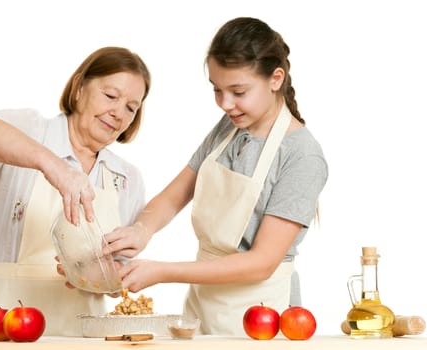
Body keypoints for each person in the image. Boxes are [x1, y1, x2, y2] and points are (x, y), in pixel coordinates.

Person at [105, 17, 328, 335]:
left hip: (260, 316)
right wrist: (141, 230)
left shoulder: (302, 155)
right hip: (203, 306)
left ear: (276, 78)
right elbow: (176, 193)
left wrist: (163, 272)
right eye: (217, 90)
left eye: (238, 91)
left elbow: (262, 262)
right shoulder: (231, 127)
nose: (225, 104)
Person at [0, 46, 151, 336]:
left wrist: (93, 275)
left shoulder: (127, 178)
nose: (118, 113)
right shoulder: (31, 131)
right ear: (80, 87)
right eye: (110, 96)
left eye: (131, 108)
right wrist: (53, 165)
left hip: (82, 334)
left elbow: (115, 278)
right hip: (0, 325)